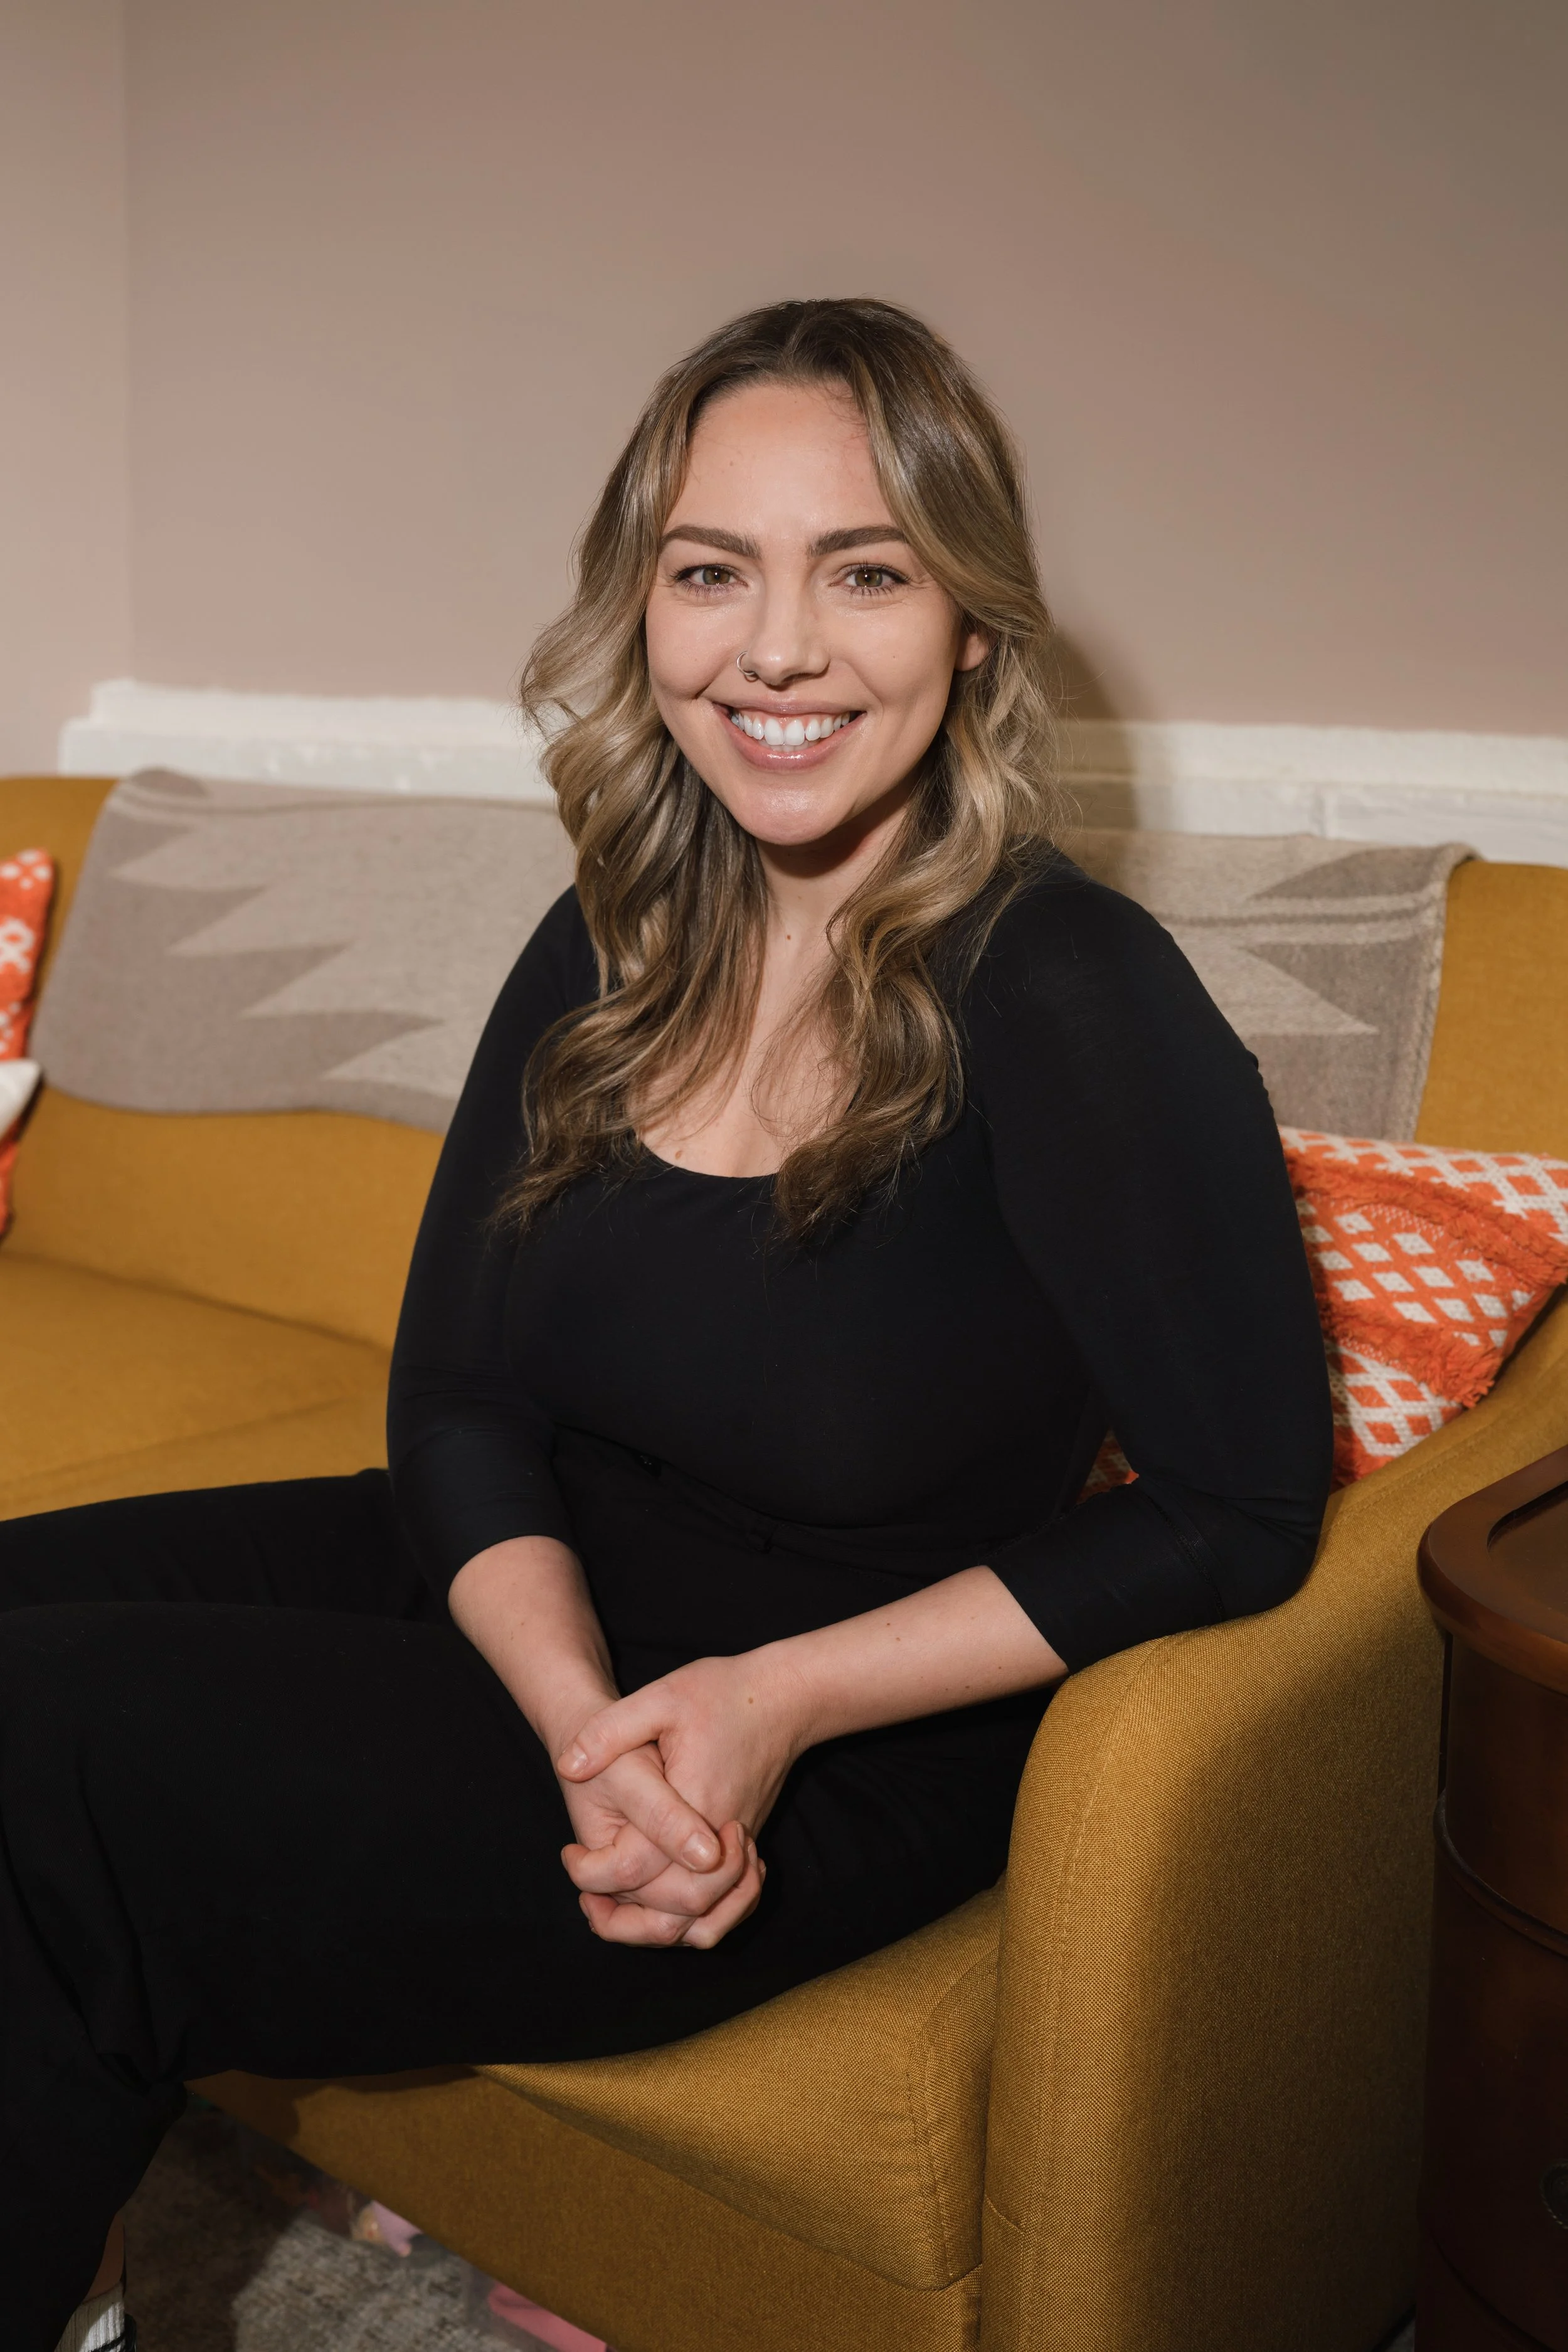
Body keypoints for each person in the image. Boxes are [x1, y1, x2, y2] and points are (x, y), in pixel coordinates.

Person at [1, 297, 1332, 2352]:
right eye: (712, 571)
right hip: (540, 1609)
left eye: (863, 572)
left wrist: (765, 1708)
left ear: (974, 627)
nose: (775, 649)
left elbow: (1237, 1508)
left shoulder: (1072, 989)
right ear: (643, 608)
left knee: (46, 1747)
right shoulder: (612, 930)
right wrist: (571, 1711)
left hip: (837, 1729)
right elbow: (456, 1394)